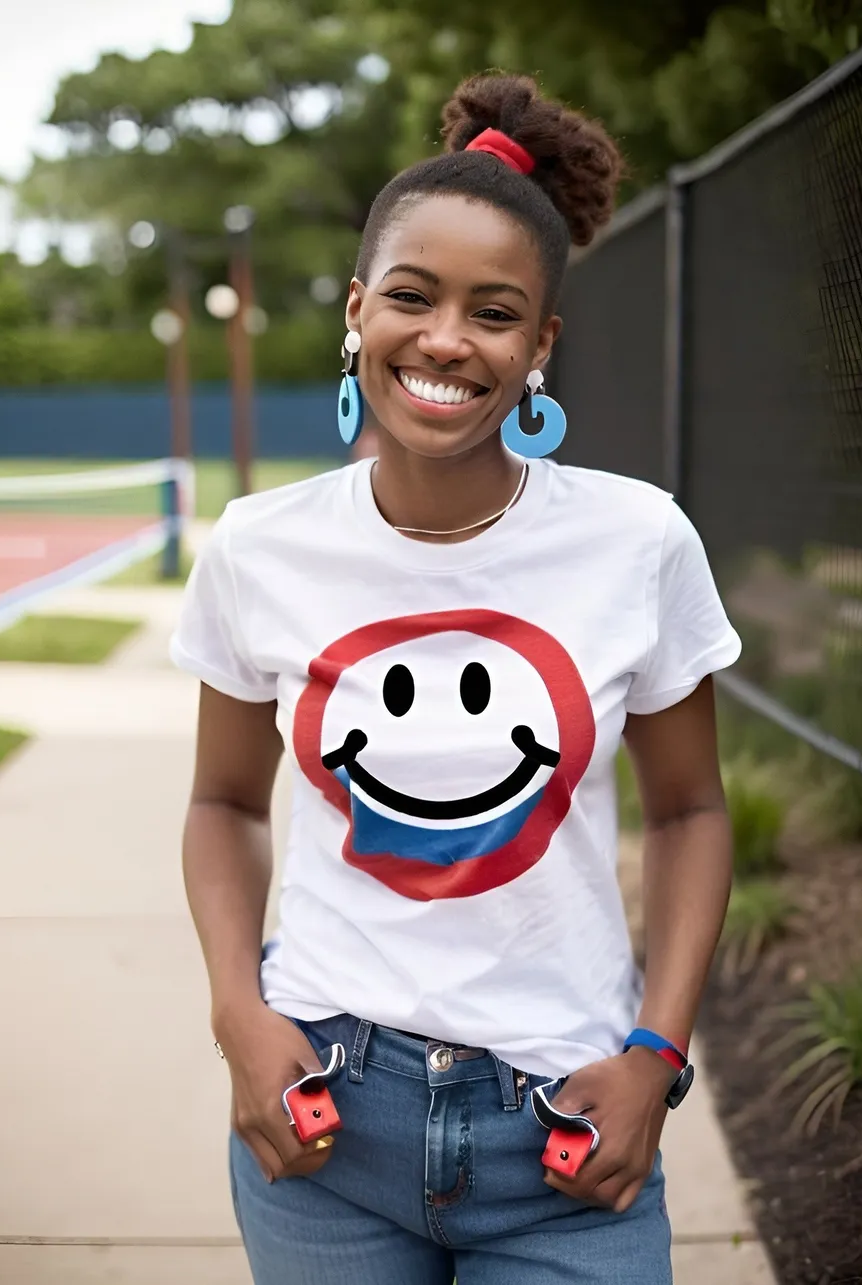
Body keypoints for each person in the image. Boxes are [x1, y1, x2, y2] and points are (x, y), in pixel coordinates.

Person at [171, 71, 741, 1285]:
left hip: (563, 1135)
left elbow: (691, 811)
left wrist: (656, 1056)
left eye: (493, 312)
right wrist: (239, 1016)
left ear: (538, 347)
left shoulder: (638, 541)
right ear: (356, 310)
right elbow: (221, 803)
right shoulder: (258, 546)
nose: (443, 340)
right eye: (413, 297)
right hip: (327, 1114)